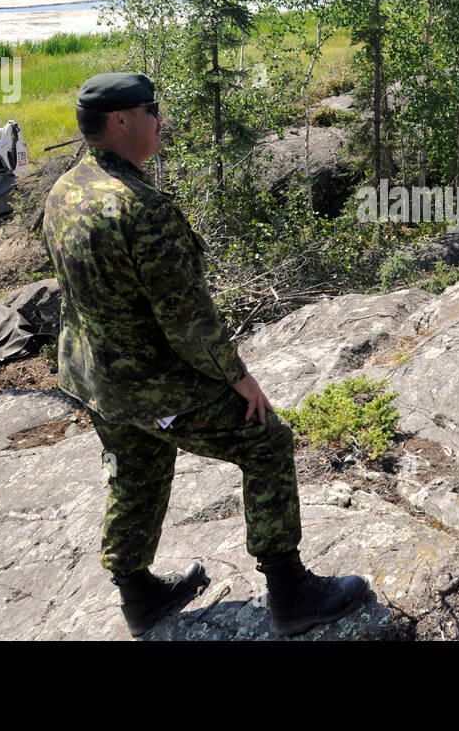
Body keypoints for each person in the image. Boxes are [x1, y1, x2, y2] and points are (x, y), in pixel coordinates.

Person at [42, 72, 369, 636]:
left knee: (136, 470)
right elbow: (188, 321)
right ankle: (290, 592)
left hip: (93, 378)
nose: (160, 120)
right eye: (152, 110)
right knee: (266, 441)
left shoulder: (65, 191)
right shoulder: (140, 209)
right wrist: (239, 378)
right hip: (153, 385)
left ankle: (138, 594)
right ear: (120, 122)